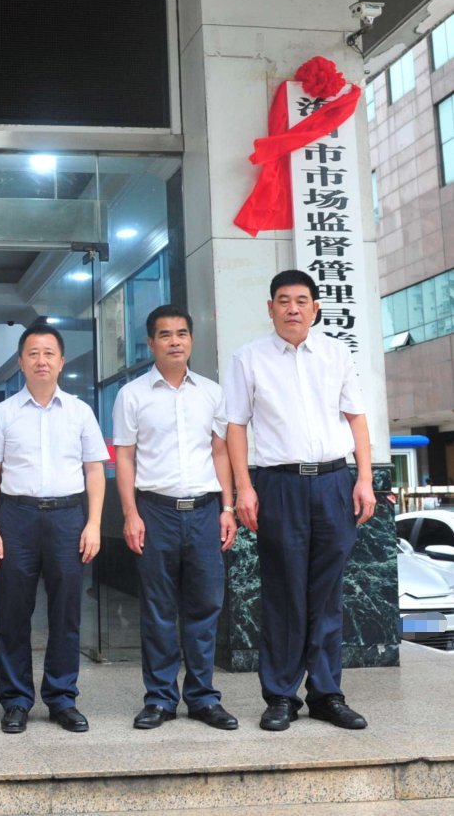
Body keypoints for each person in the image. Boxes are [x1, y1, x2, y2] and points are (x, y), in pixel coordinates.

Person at [225, 269, 376, 732]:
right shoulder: (248, 358)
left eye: (301, 300)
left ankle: (327, 695)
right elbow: (235, 427)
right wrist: (244, 488)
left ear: (315, 308)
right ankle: (281, 697)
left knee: (328, 594)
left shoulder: (335, 353)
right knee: (284, 592)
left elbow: (356, 419)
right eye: (284, 300)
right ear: (270, 308)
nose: (293, 308)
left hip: (333, 482)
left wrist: (364, 479)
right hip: (279, 485)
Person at [112, 305, 238, 731]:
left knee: (205, 607)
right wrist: (130, 513)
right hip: (155, 512)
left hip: (204, 511)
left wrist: (227, 508)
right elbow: (125, 458)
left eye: (182, 333)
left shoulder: (211, 393)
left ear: (191, 340)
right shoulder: (132, 395)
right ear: (151, 343)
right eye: (165, 335)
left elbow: (219, 452)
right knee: (158, 610)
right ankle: (160, 698)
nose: (175, 341)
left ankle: (202, 698)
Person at [0, 321, 108, 733]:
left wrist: (93, 524)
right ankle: (16, 700)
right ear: (20, 362)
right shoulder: (1, 414)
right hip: (16, 518)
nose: (41, 360)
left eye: (49, 353)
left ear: (61, 361)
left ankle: (62, 698)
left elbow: (94, 471)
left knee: (66, 612)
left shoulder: (80, 412)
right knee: (13, 613)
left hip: (68, 518)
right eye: (33, 353)